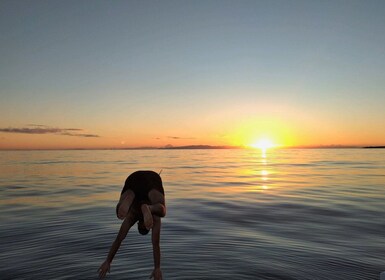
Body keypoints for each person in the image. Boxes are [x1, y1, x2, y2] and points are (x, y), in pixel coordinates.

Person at [98, 170, 166, 280]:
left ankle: (132, 200)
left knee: (161, 211)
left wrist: (157, 268)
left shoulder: (135, 216)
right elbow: (119, 239)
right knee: (160, 211)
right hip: (139, 182)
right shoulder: (133, 216)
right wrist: (108, 261)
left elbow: (119, 240)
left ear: (140, 223)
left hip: (137, 180)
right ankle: (138, 203)